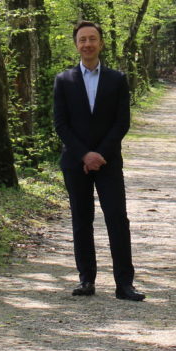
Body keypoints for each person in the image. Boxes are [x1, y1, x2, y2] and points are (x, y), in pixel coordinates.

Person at [52, 21, 143, 301]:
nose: (88, 44)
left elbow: (121, 122)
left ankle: (124, 284)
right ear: (76, 45)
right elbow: (61, 124)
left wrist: (100, 154)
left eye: (93, 39)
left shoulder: (117, 79)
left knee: (117, 218)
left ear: (101, 43)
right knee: (82, 220)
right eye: (82, 40)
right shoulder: (64, 80)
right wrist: (84, 154)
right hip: (75, 162)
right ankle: (86, 280)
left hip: (108, 162)